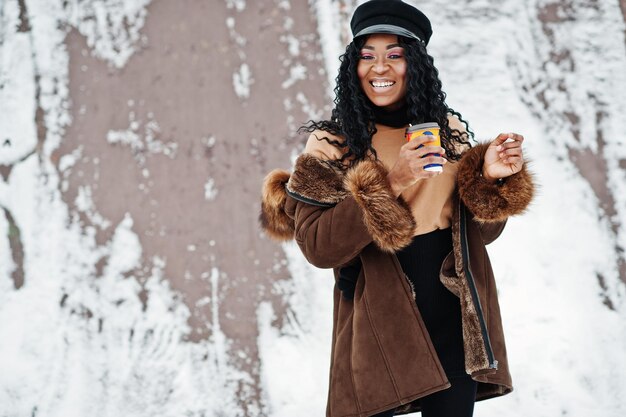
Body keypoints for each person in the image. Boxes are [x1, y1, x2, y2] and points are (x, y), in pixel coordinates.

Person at [260, 0, 535, 416]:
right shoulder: (332, 144)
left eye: (395, 55)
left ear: (417, 64)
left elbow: (480, 236)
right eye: (367, 56)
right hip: (378, 315)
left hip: (453, 316)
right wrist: (393, 181)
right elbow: (318, 247)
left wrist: (490, 180)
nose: (380, 67)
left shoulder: (448, 130)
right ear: (353, 66)